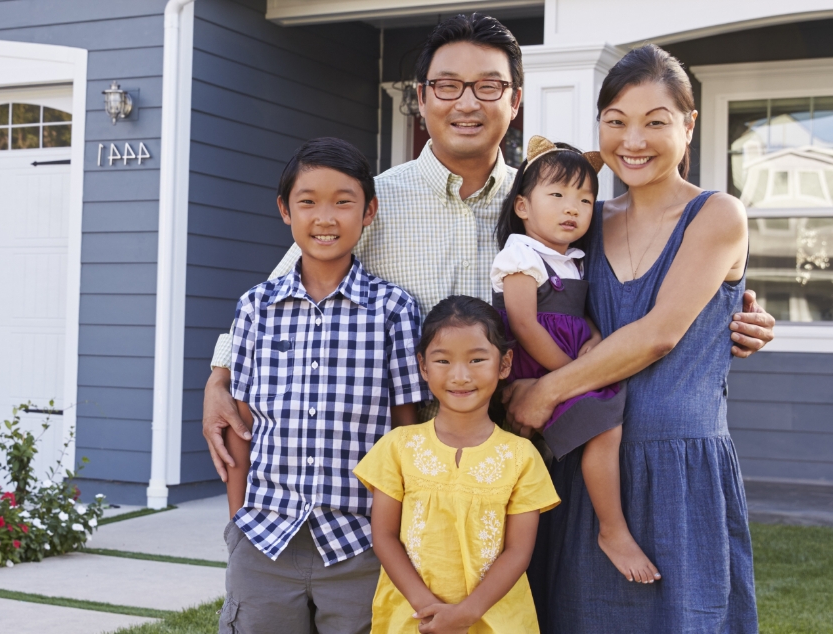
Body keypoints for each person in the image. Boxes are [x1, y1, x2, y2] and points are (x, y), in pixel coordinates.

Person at [199, 13, 774, 486]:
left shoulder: (552, 203)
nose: (467, 103)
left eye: (488, 87)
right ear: (421, 100)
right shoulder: (374, 202)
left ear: (515, 100)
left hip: (527, 452)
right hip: (408, 460)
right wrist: (219, 378)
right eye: (447, 86)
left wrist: (732, 310)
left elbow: (634, 280)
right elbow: (283, 292)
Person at [510, 44, 759, 632]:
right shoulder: (587, 218)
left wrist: (546, 392)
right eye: (616, 121)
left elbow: (658, 334)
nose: (634, 140)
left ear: (689, 124)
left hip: (680, 469)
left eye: (655, 121)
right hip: (590, 465)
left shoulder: (718, 214)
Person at [218, 137, 426, 634]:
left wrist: (391, 531)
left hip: (360, 543)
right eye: (307, 201)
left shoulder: (393, 310)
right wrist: (237, 525)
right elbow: (241, 425)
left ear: (369, 211)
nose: (325, 217)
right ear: (285, 211)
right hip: (265, 536)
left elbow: (405, 434)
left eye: (343, 201)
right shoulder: (256, 308)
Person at [490, 136, 657, 583]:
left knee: (605, 424)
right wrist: (571, 375)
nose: (573, 208)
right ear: (523, 206)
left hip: (566, 367)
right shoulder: (521, 254)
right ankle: (612, 528)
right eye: (558, 195)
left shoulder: (573, 259)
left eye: (585, 199)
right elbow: (524, 325)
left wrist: (597, 337)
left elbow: (578, 314)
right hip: (539, 367)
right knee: (604, 426)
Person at [355, 295, 559, 634]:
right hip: (412, 620)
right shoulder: (397, 447)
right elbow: (384, 537)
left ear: (504, 364)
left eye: (477, 359)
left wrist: (465, 615)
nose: (460, 376)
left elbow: (518, 552)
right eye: (443, 361)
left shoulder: (521, 457)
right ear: (423, 366)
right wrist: (429, 610)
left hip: (496, 621)